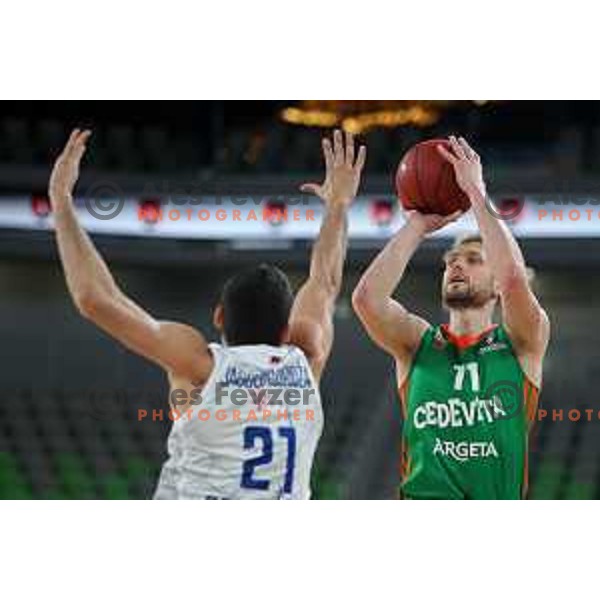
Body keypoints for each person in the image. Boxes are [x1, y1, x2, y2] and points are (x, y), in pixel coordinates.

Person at [48, 128, 366, 499]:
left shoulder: (199, 366)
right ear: (286, 330)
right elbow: (325, 281)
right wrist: (339, 205)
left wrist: (61, 200)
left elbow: (95, 298)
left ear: (218, 317)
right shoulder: (307, 359)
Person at [352, 136, 550, 499]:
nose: (456, 263)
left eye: (474, 260)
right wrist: (417, 226)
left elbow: (513, 278)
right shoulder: (417, 343)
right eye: (451, 261)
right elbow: (367, 299)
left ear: (495, 288)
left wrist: (476, 192)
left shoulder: (522, 341)